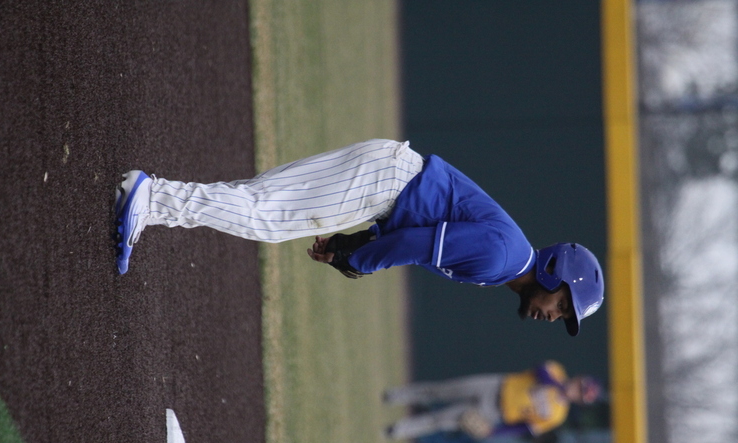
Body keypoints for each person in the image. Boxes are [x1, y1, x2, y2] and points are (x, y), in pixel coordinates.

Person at [114, 139, 604, 335]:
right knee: (265, 217)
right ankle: (149, 196)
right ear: (553, 272)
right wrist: (360, 260)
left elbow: (417, 228)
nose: (553, 315)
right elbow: (414, 246)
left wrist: (356, 240)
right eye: (563, 304)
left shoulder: (507, 262)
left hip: (387, 183)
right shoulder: (502, 258)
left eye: (563, 316)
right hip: (384, 184)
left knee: (257, 198)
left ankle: (149, 205)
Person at [384, 360, 602, 439]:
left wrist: (493, 432)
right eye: (581, 387)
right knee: (442, 391)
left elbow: (525, 428)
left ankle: (399, 430)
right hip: (494, 386)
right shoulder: (557, 372)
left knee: (441, 421)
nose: (577, 391)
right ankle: (397, 395)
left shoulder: (558, 416)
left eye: (581, 395)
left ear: (581, 402)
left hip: (495, 413)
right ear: (579, 378)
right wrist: (560, 387)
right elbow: (540, 371)